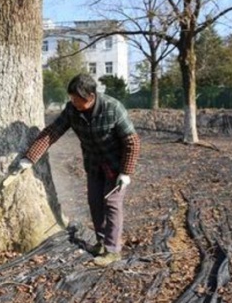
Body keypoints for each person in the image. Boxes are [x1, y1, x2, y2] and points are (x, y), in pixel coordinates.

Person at [17, 73, 140, 266]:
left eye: (77, 99)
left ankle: (112, 251)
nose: (73, 102)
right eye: (71, 98)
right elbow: (53, 132)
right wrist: (30, 157)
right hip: (93, 164)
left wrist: (126, 172)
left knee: (112, 205)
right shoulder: (72, 110)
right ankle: (100, 243)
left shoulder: (112, 108)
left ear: (91, 96)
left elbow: (132, 142)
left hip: (116, 165)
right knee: (94, 203)